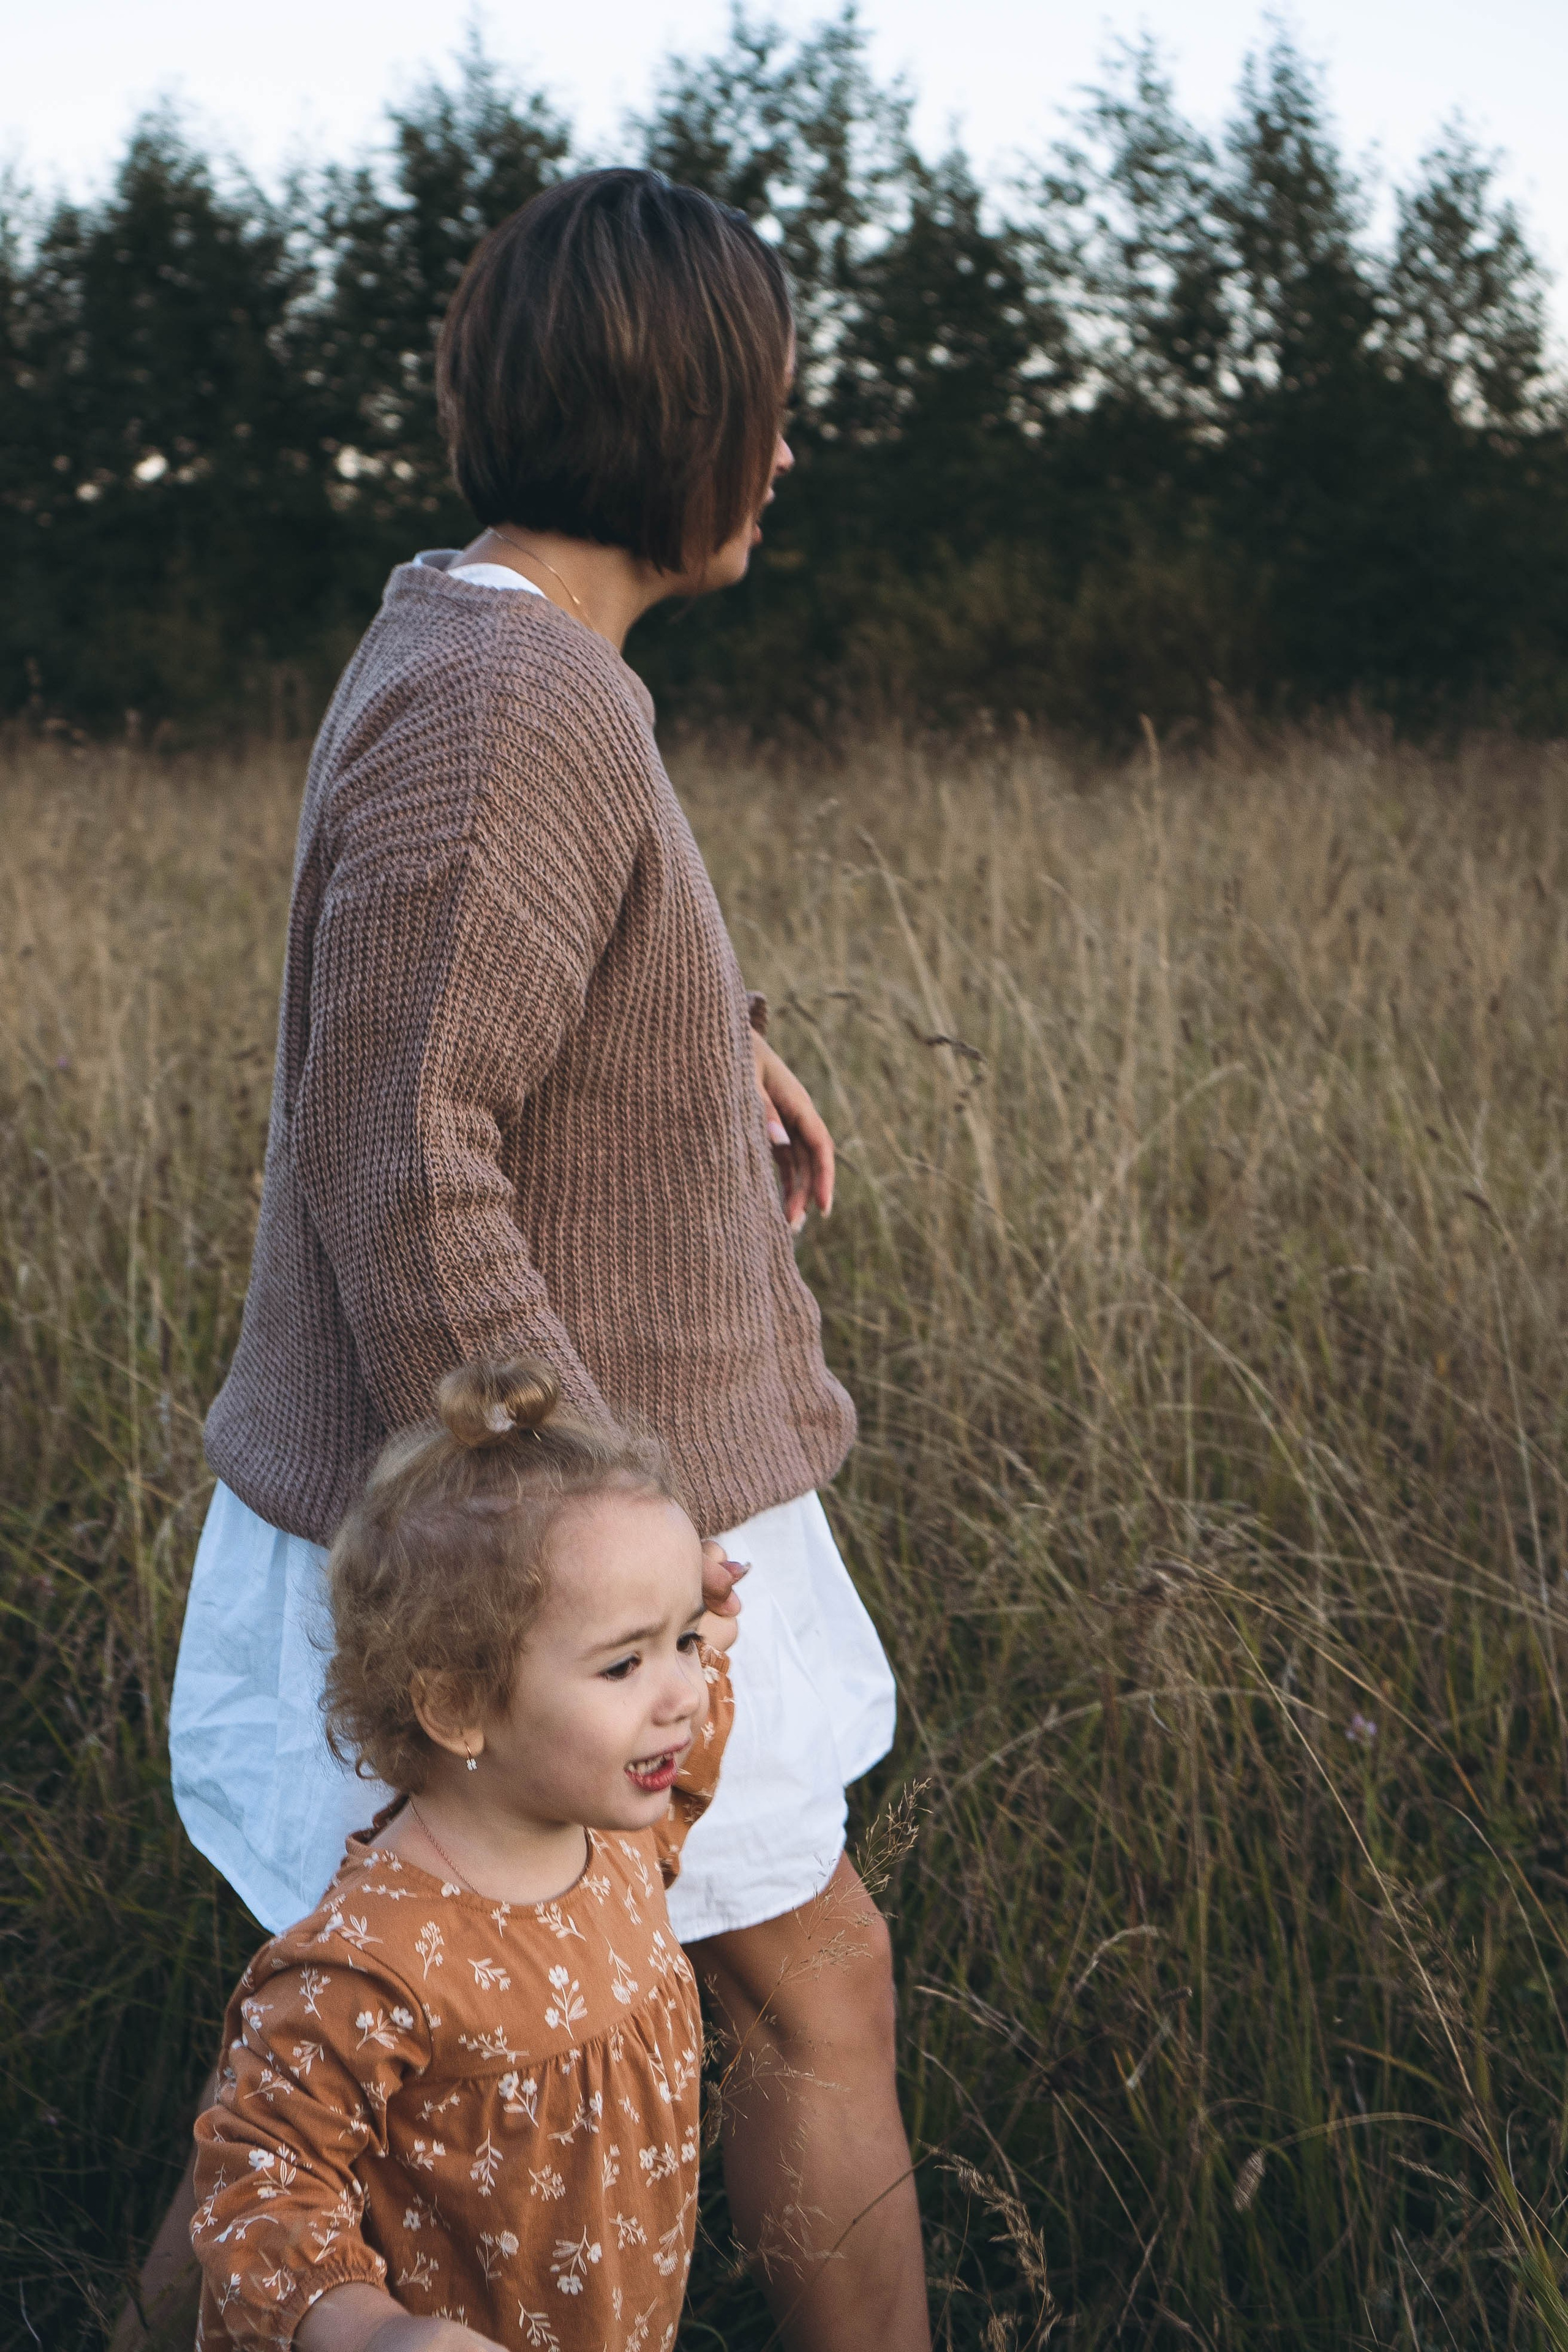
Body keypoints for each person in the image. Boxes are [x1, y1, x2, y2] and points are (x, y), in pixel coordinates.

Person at [128, 167, 928, 2352]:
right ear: (676, 417)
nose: (785, 453)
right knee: (748, 2001)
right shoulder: (509, 701)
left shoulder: (503, 662)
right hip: (539, 1550)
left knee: (354, 2073)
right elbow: (400, 1144)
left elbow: (472, 987)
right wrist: (585, 1540)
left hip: (569, 1528)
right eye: (767, 407)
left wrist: (711, 1041)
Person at [189, 1352, 737, 2351]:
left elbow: (687, 1758)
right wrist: (373, 2334)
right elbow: (259, 2180)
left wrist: (688, 1632)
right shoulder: (375, 1961)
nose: (686, 1694)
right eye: (625, 1662)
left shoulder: (613, 1835)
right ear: (456, 1706)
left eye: (686, 1644)